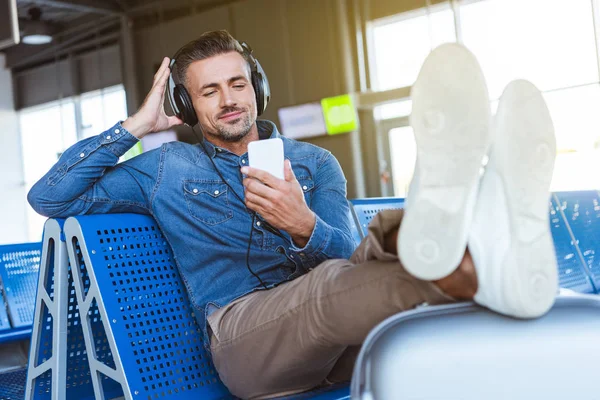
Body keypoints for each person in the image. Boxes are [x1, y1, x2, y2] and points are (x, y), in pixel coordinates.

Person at [27, 30, 558, 399]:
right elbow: (51, 197)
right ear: (187, 107)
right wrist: (137, 126)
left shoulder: (313, 163)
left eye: (237, 84)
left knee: (378, 254)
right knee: (327, 287)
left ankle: (468, 245)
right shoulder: (165, 167)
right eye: (208, 92)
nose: (229, 100)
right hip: (247, 342)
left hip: (345, 335)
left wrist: (302, 224)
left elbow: (353, 258)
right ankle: (472, 264)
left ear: (256, 88)